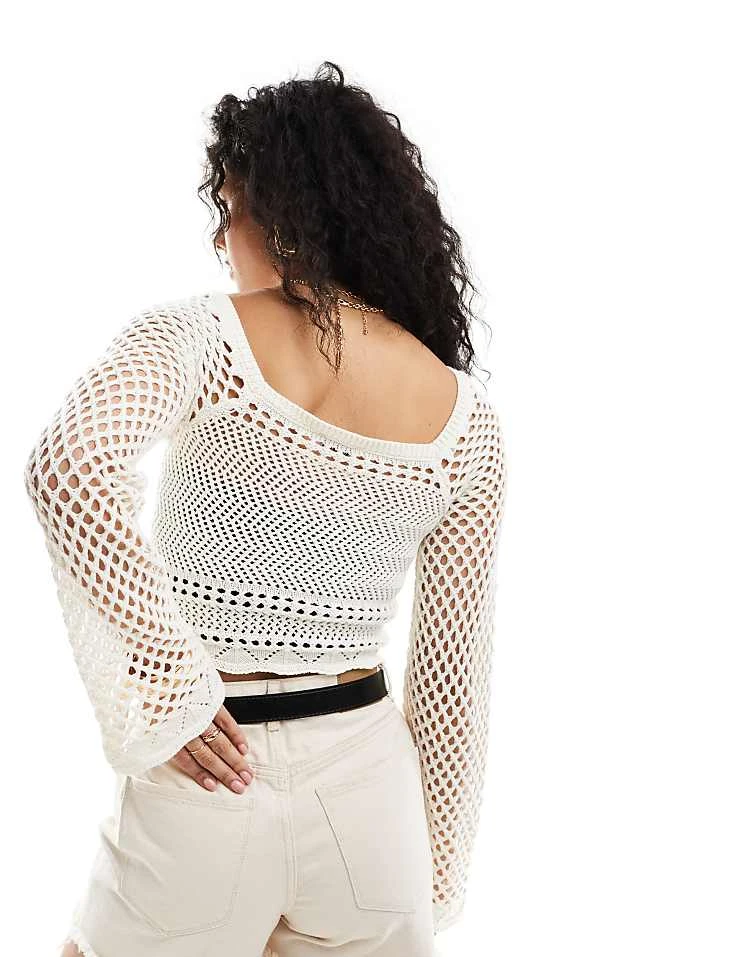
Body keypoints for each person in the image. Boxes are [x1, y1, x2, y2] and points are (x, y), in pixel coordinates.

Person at [25, 61, 507, 957]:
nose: (221, 239)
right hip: (371, 800)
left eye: (229, 210)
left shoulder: (204, 335)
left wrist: (171, 686)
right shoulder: (463, 414)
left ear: (283, 214)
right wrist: (429, 874)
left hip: (212, 779)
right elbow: (452, 684)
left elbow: (69, 465)